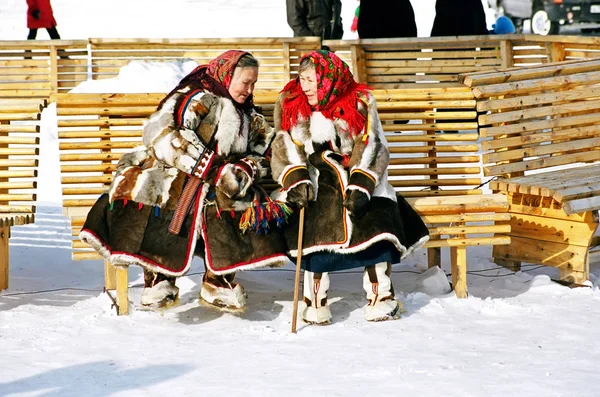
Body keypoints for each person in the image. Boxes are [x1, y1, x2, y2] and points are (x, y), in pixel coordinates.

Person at [80, 50, 290, 310]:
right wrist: (211, 168)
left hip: (216, 183)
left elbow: (269, 150)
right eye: (245, 82)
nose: (250, 89)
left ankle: (218, 280)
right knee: (172, 192)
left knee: (232, 196)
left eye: (253, 83)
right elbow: (164, 134)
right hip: (172, 169)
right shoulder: (196, 96)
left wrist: (247, 168)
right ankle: (158, 276)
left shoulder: (249, 115)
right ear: (228, 76)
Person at [271, 50, 429, 324]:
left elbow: (372, 143)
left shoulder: (359, 101)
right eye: (302, 78)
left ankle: (381, 296)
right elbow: (284, 144)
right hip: (315, 176)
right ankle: (315, 301)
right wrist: (295, 178)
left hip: (356, 173)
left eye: (311, 79)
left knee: (375, 218)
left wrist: (361, 183)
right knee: (315, 222)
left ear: (327, 78)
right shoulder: (292, 103)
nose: (305, 85)